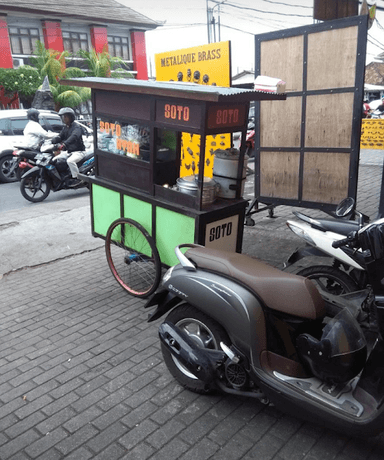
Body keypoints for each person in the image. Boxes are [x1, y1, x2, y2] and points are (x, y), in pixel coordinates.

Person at [52, 107, 85, 186]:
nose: (64, 118)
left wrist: (65, 144)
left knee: (70, 161)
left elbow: (74, 136)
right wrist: (53, 140)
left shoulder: (76, 127)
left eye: (65, 116)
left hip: (79, 152)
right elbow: (60, 136)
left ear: (71, 117)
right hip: (69, 152)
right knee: (54, 159)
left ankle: (77, 178)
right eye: (63, 117)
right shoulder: (66, 128)